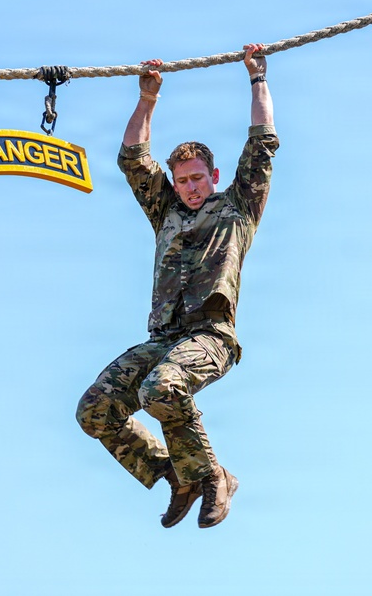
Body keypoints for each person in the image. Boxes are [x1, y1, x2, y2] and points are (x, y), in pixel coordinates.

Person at [75, 44, 278, 528]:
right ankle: (177, 475)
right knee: (94, 410)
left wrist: (257, 79)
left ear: (214, 176)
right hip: (163, 339)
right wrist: (147, 99)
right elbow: (132, 159)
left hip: (210, 338)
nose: (189, 188)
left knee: (161, 389)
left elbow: (263, 142)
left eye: (197, 179)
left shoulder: (237, 208)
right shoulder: (165, 211)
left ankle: (212, 477)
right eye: (182, 180)